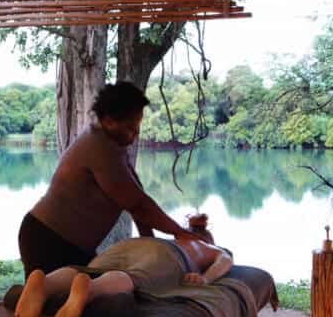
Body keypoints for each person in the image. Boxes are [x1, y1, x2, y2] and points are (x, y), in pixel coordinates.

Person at [17, 82, 201, 278]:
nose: (136, 133)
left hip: (69, 244)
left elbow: (137, 201)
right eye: (131, 127)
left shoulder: (114, 146)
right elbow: (140, 206)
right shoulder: (100, 148)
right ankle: (16, 297)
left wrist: (154, 250)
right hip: (49, 240)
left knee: (90, 294)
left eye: (138, 125)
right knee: (59, 299)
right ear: (110, 120)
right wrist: (181, 233)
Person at [14, 214, 233, 317]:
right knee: (135, 277)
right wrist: (205, 278)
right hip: (166, 256)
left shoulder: (177, 237)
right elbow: (225, 261)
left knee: (90, 269)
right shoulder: (206, 246)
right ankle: (91, 290)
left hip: (129, 244)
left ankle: (46, 285)